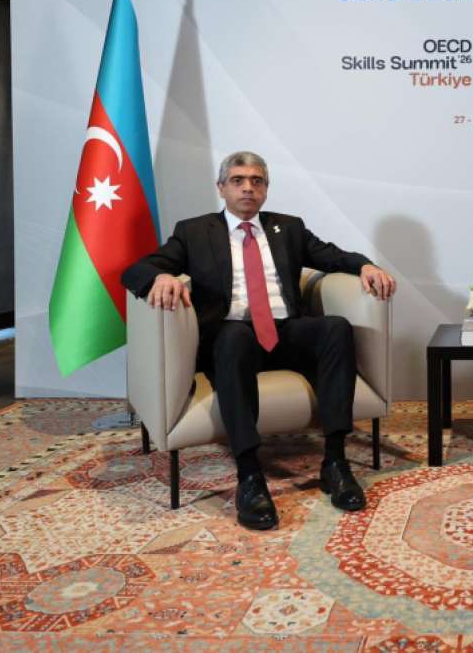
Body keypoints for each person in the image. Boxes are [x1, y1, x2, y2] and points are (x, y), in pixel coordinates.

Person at [122, 151, 396, 530]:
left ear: (266, 189)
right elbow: (137, 269)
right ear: (221, 188)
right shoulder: (194, 231)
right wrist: (160, 277)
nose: (248, 188)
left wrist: (366, 265)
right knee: (234, 336)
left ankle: (335, 461)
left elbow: (332, 257)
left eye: (257, 180)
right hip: (230, 340)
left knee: (335, 327)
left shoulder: (289, 228)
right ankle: (249, 476)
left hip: (283, 331)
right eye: (238, 180)